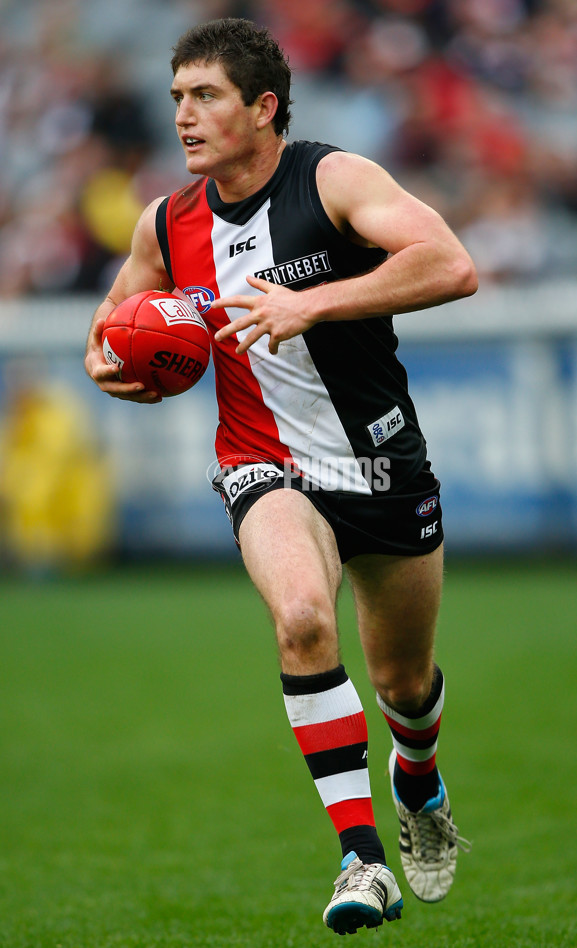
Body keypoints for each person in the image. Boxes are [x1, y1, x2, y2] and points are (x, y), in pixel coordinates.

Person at [84, 17, 477, 936]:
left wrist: (315, 303)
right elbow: (108, 329)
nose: (184, 115)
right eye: (177, 97)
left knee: (406, 687)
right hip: (262, 465)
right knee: (301, 617)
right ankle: (362, 859)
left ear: (264, 109)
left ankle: (417, 777)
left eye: (206, 96)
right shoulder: (167, 221)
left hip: (380, 462)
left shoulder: (332, 178)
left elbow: (451, 264)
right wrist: (115, 368)